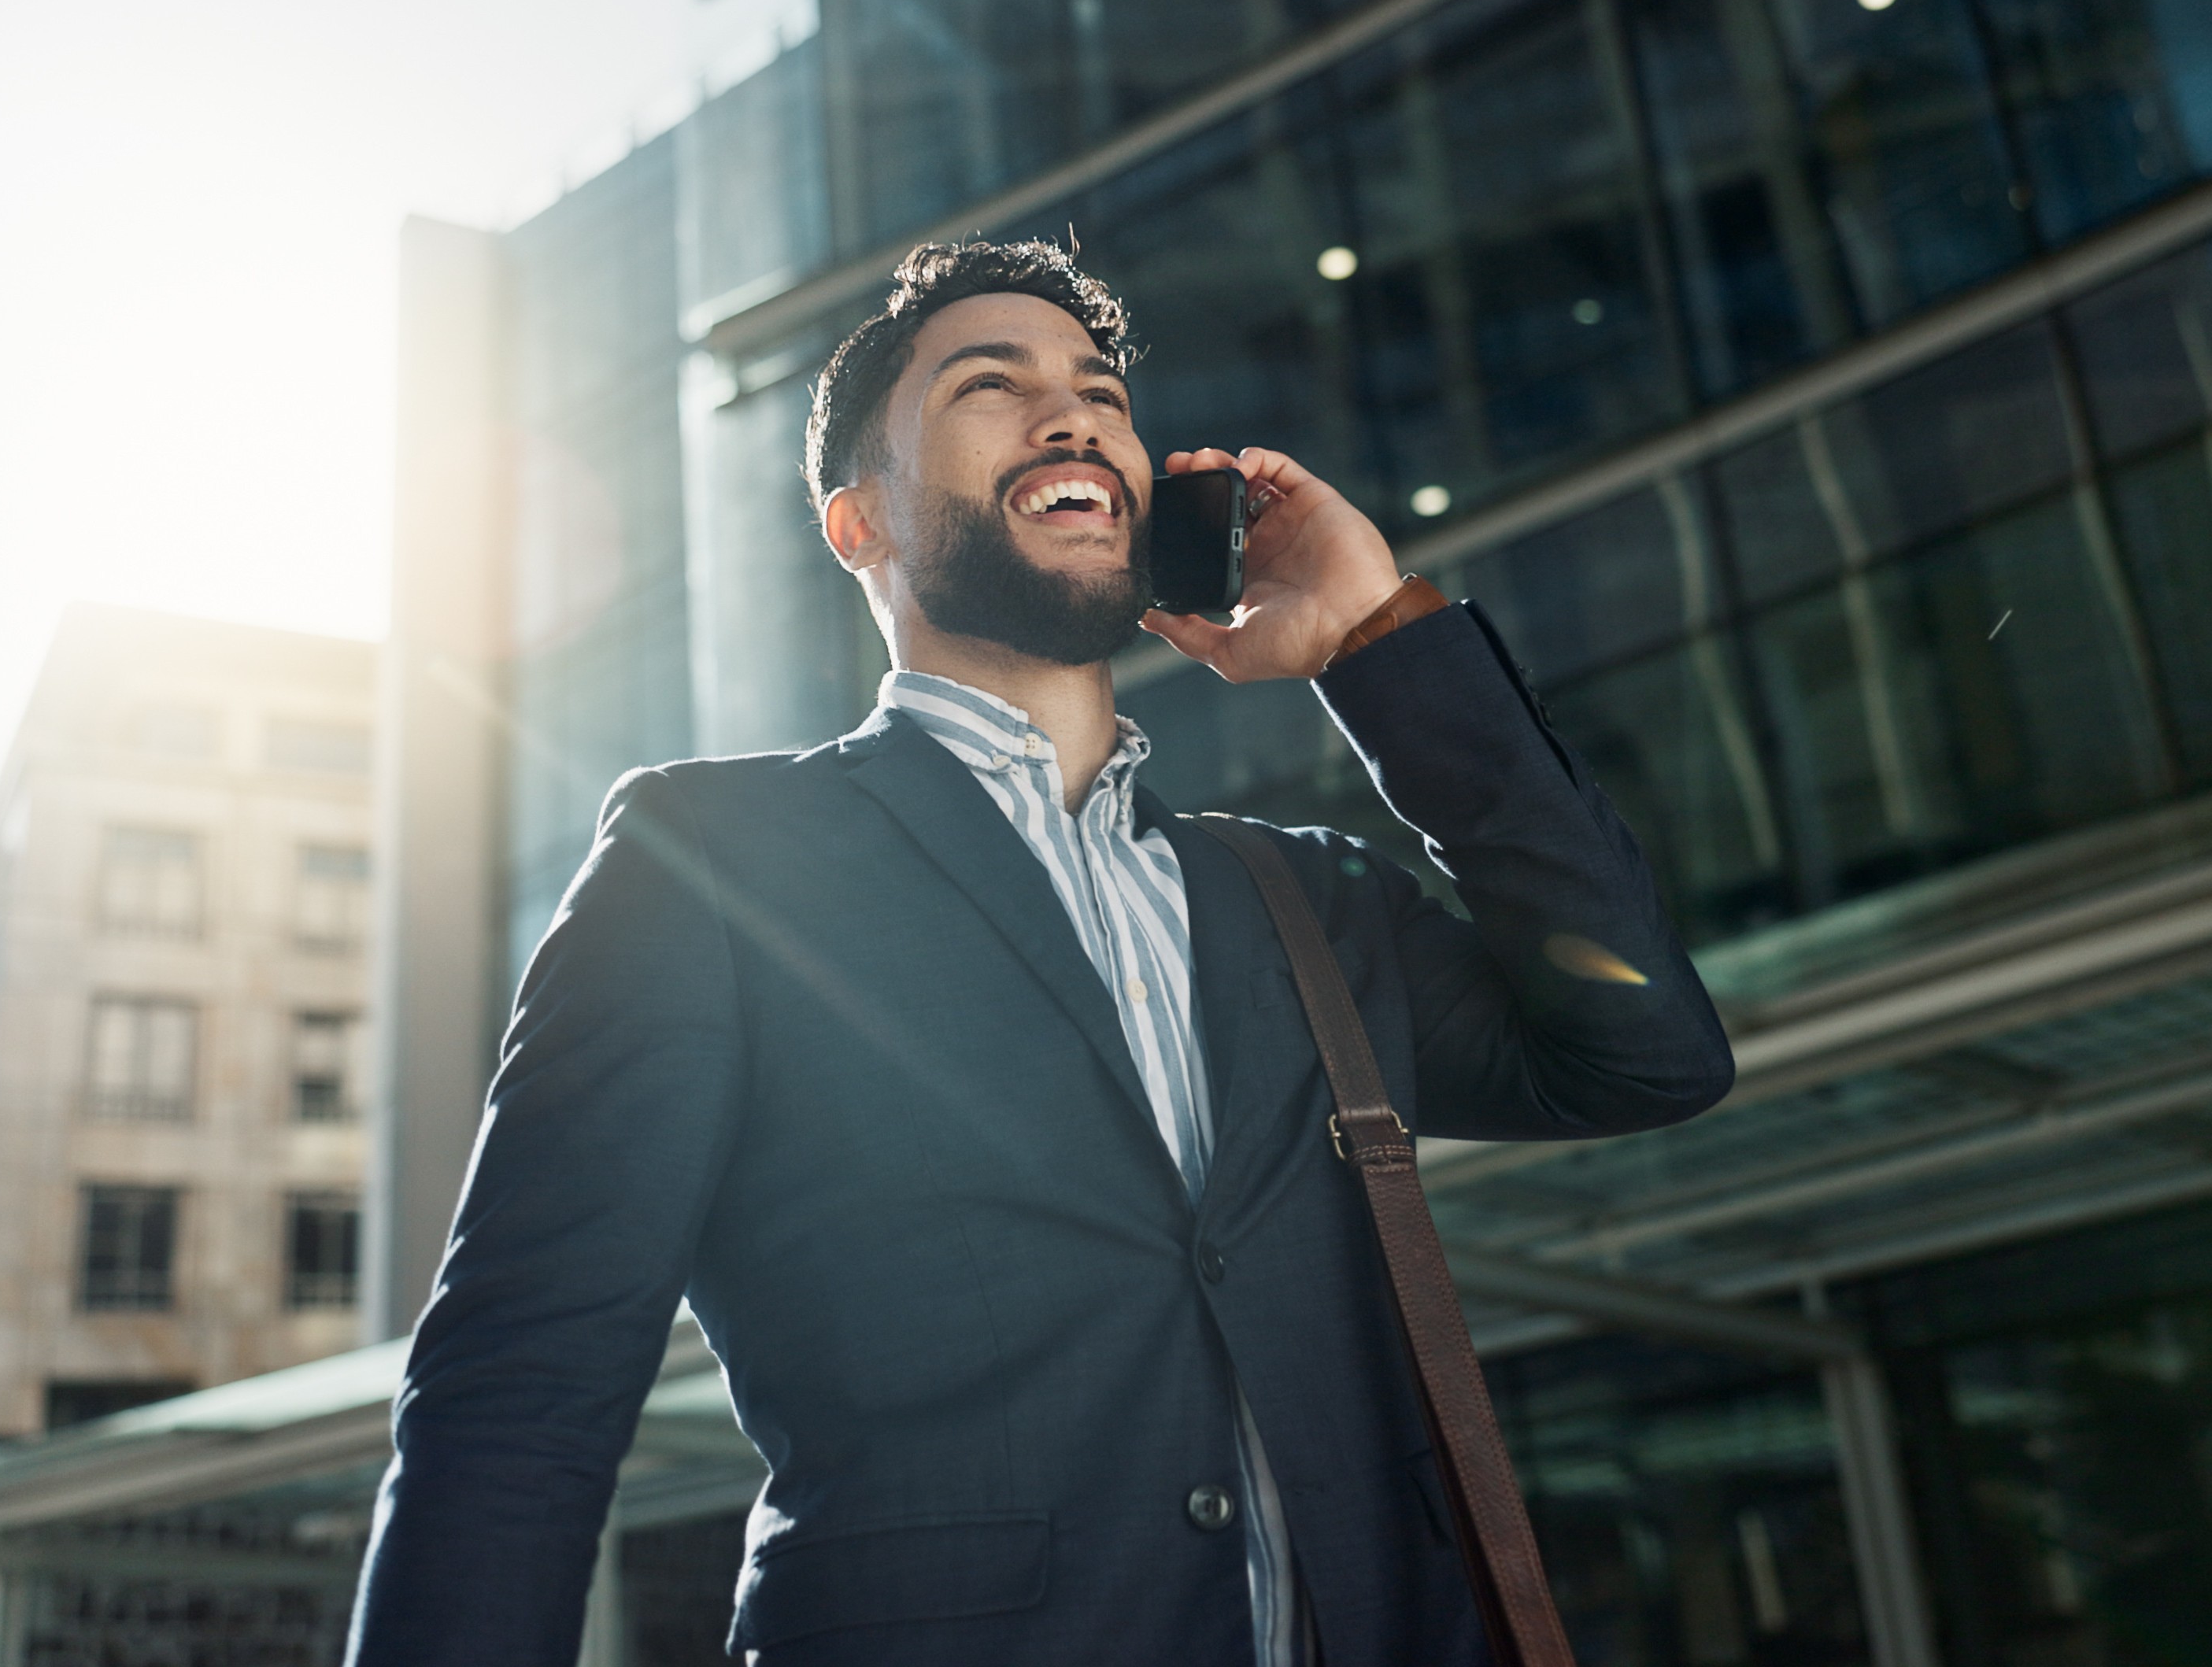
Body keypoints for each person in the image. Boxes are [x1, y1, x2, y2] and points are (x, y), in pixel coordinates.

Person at [343, 239, 1733, 1667]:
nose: (1071, 417)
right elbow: (517, 1401)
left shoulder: (1300, 901)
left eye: (1101, 393)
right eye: (988, 388)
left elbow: (1648, 1060)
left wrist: (1379, 641)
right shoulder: (708, 863)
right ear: (859, 523)